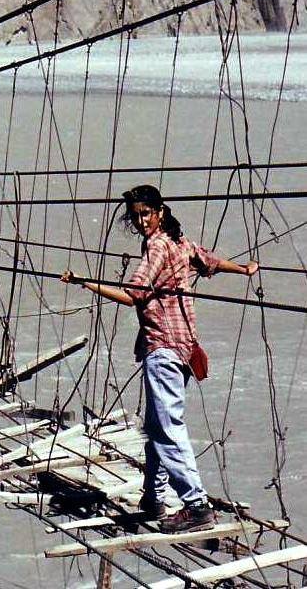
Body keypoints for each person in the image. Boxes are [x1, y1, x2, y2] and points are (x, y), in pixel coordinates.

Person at [61, 184, 259, 533]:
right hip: (183, 349)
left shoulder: (156, 246)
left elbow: (133, 294)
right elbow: (209, 260)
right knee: (156, 426)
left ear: (160, 212)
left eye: (146, 214)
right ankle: (153, 498)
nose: (141, 222)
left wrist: (86, 283)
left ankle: (196, 506)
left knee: (167, 428)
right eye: (136, 216)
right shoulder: (179, 242)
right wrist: (243, 269)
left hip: (163, 347)